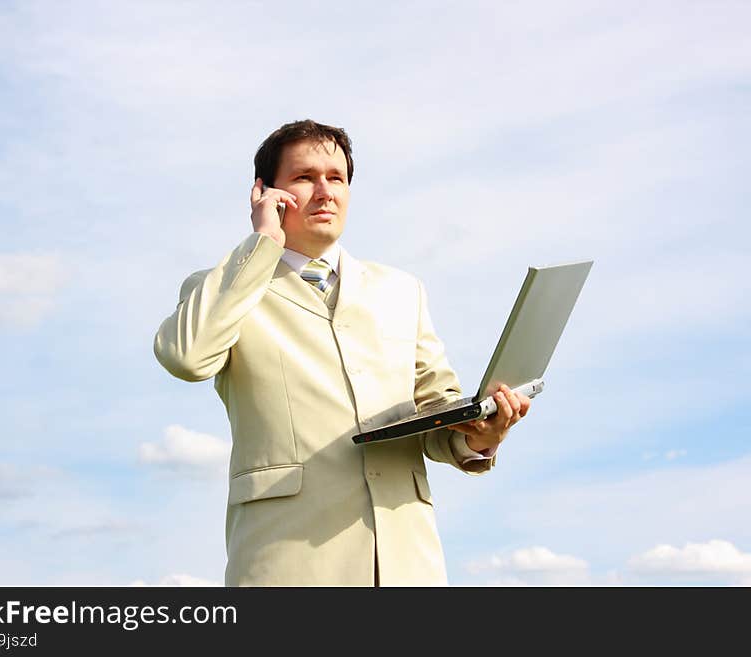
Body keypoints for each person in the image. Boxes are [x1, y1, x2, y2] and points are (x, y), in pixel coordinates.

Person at [153, 119, 531, 586]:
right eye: (304, 177)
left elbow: (437, 415)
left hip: (404, 561)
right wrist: (262, 244)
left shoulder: (402, 291)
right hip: (286, 562)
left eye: (336, 178)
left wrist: (480, 433)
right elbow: (186, 358)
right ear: (265, 193)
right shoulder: (226, 287)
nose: (325, 192)